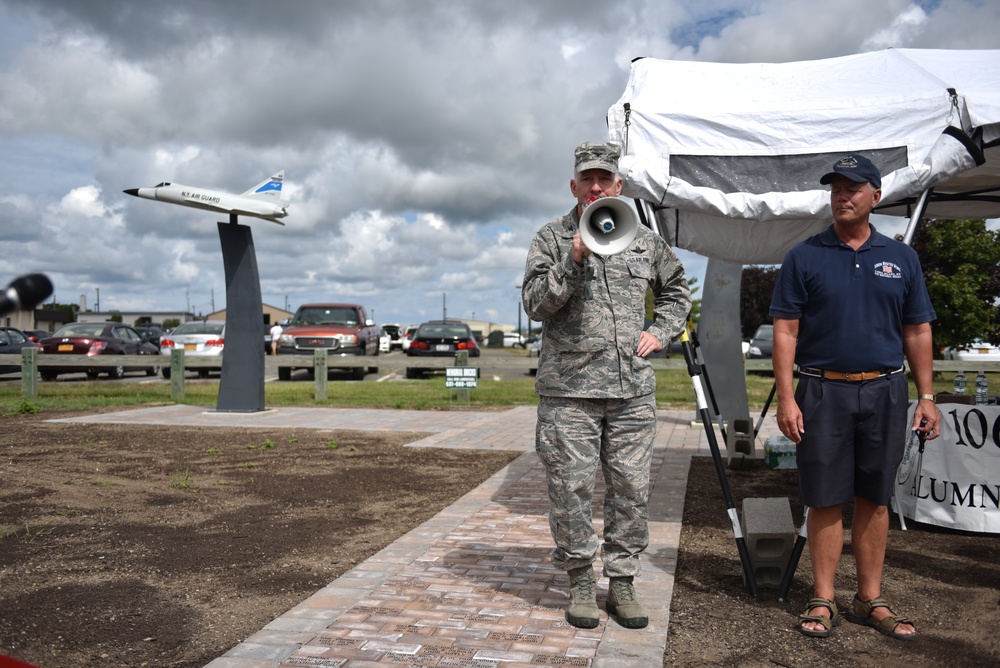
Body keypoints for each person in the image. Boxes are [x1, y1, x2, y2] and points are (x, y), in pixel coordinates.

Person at [769, 155, 939, 641]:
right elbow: (785, 330)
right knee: (824, 498)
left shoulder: (901, 257)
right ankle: (823, 597)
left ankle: (869, 598)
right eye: (836, 188)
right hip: (822, 391)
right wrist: (787, 397)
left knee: (874, 496)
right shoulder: (805, 255)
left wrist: (925, 396)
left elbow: (918, 329)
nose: (843, 195)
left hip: (887, 390)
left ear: (875, 197)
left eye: (854, 187)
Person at [521, 142, 691, 629]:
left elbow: (676, 288)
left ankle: (621, 582)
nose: (596, 187)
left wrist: (659, 332)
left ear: (619, 186)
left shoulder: (644, 239)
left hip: (631, 393)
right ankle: (579, 581)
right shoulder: (552, 237)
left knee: (631, 490)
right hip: (568, 394)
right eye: (587, 179)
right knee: (570, 488)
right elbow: (535, 304)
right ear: (573, 186)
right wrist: (572, 259)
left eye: (605, 179)